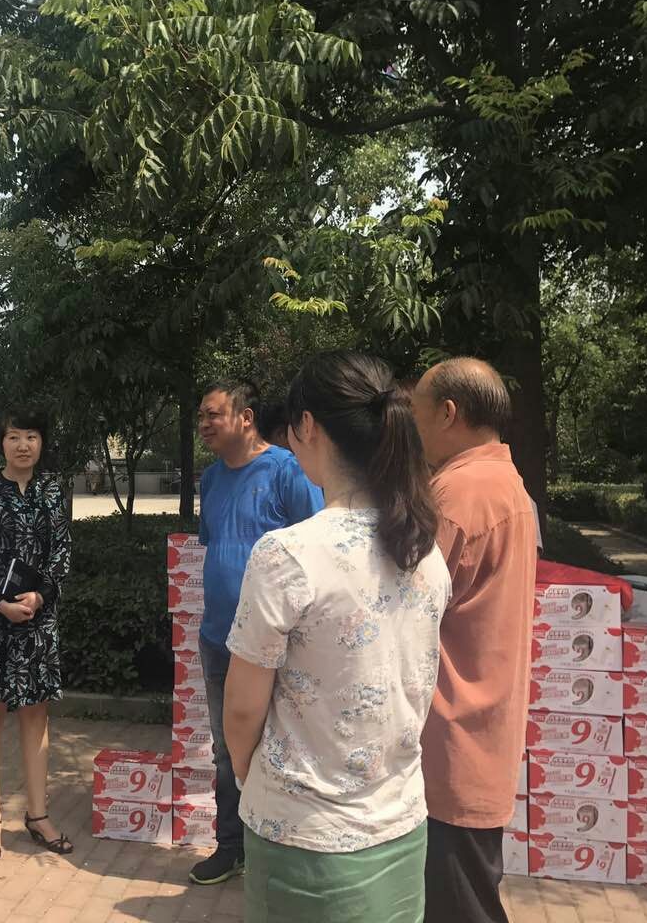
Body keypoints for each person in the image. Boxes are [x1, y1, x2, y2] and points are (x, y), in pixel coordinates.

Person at [223, 351, 451, 923]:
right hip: (402, 825)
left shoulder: (288, 555)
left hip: (304, 841)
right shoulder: (426, 550)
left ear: (307, 426)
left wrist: (254, 782)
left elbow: (242, 709)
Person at [411, 357, 538, 923]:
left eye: (416, 410)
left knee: (457, 903)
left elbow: (399, 608)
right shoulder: (504, 482)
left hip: (450, 737)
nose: (412, 425)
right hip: (478, 730)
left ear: (447, 412)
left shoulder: (459, 493)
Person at [190, 378, 324, 886]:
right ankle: (232, 847)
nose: (204, 424)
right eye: (201, 416)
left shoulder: (288, 471)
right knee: (228, 750)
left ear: (245, 417)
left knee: (285, 747)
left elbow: (319, 547)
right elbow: (216, 545)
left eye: (213, 414)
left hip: (278, 644)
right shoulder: (210, 479)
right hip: (218, 638)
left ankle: (283, 855)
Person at [0, 412, 73, 864]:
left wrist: (41, 595)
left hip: (38, 621)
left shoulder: (54, 491)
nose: (23, 444)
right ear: (2, 443)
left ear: (41, 442)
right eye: (14, 437)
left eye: (31, 435)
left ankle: (37, 815)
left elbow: (61, 553)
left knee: (36, 716)